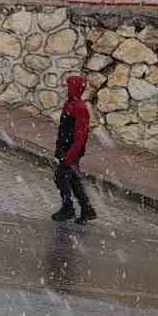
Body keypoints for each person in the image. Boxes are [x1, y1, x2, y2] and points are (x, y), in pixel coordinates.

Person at [53, 74, 97, 224]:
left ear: (74, 88)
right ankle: (87, 209)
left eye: (68, 86)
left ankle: (68, 208)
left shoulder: (79, 108)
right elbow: (64, 129)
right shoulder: (70, 104)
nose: (65, 89)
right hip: (65, 149)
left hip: (71, 151)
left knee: (61, 176)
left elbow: (80, 136)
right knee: (72, 180)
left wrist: (69, 156)